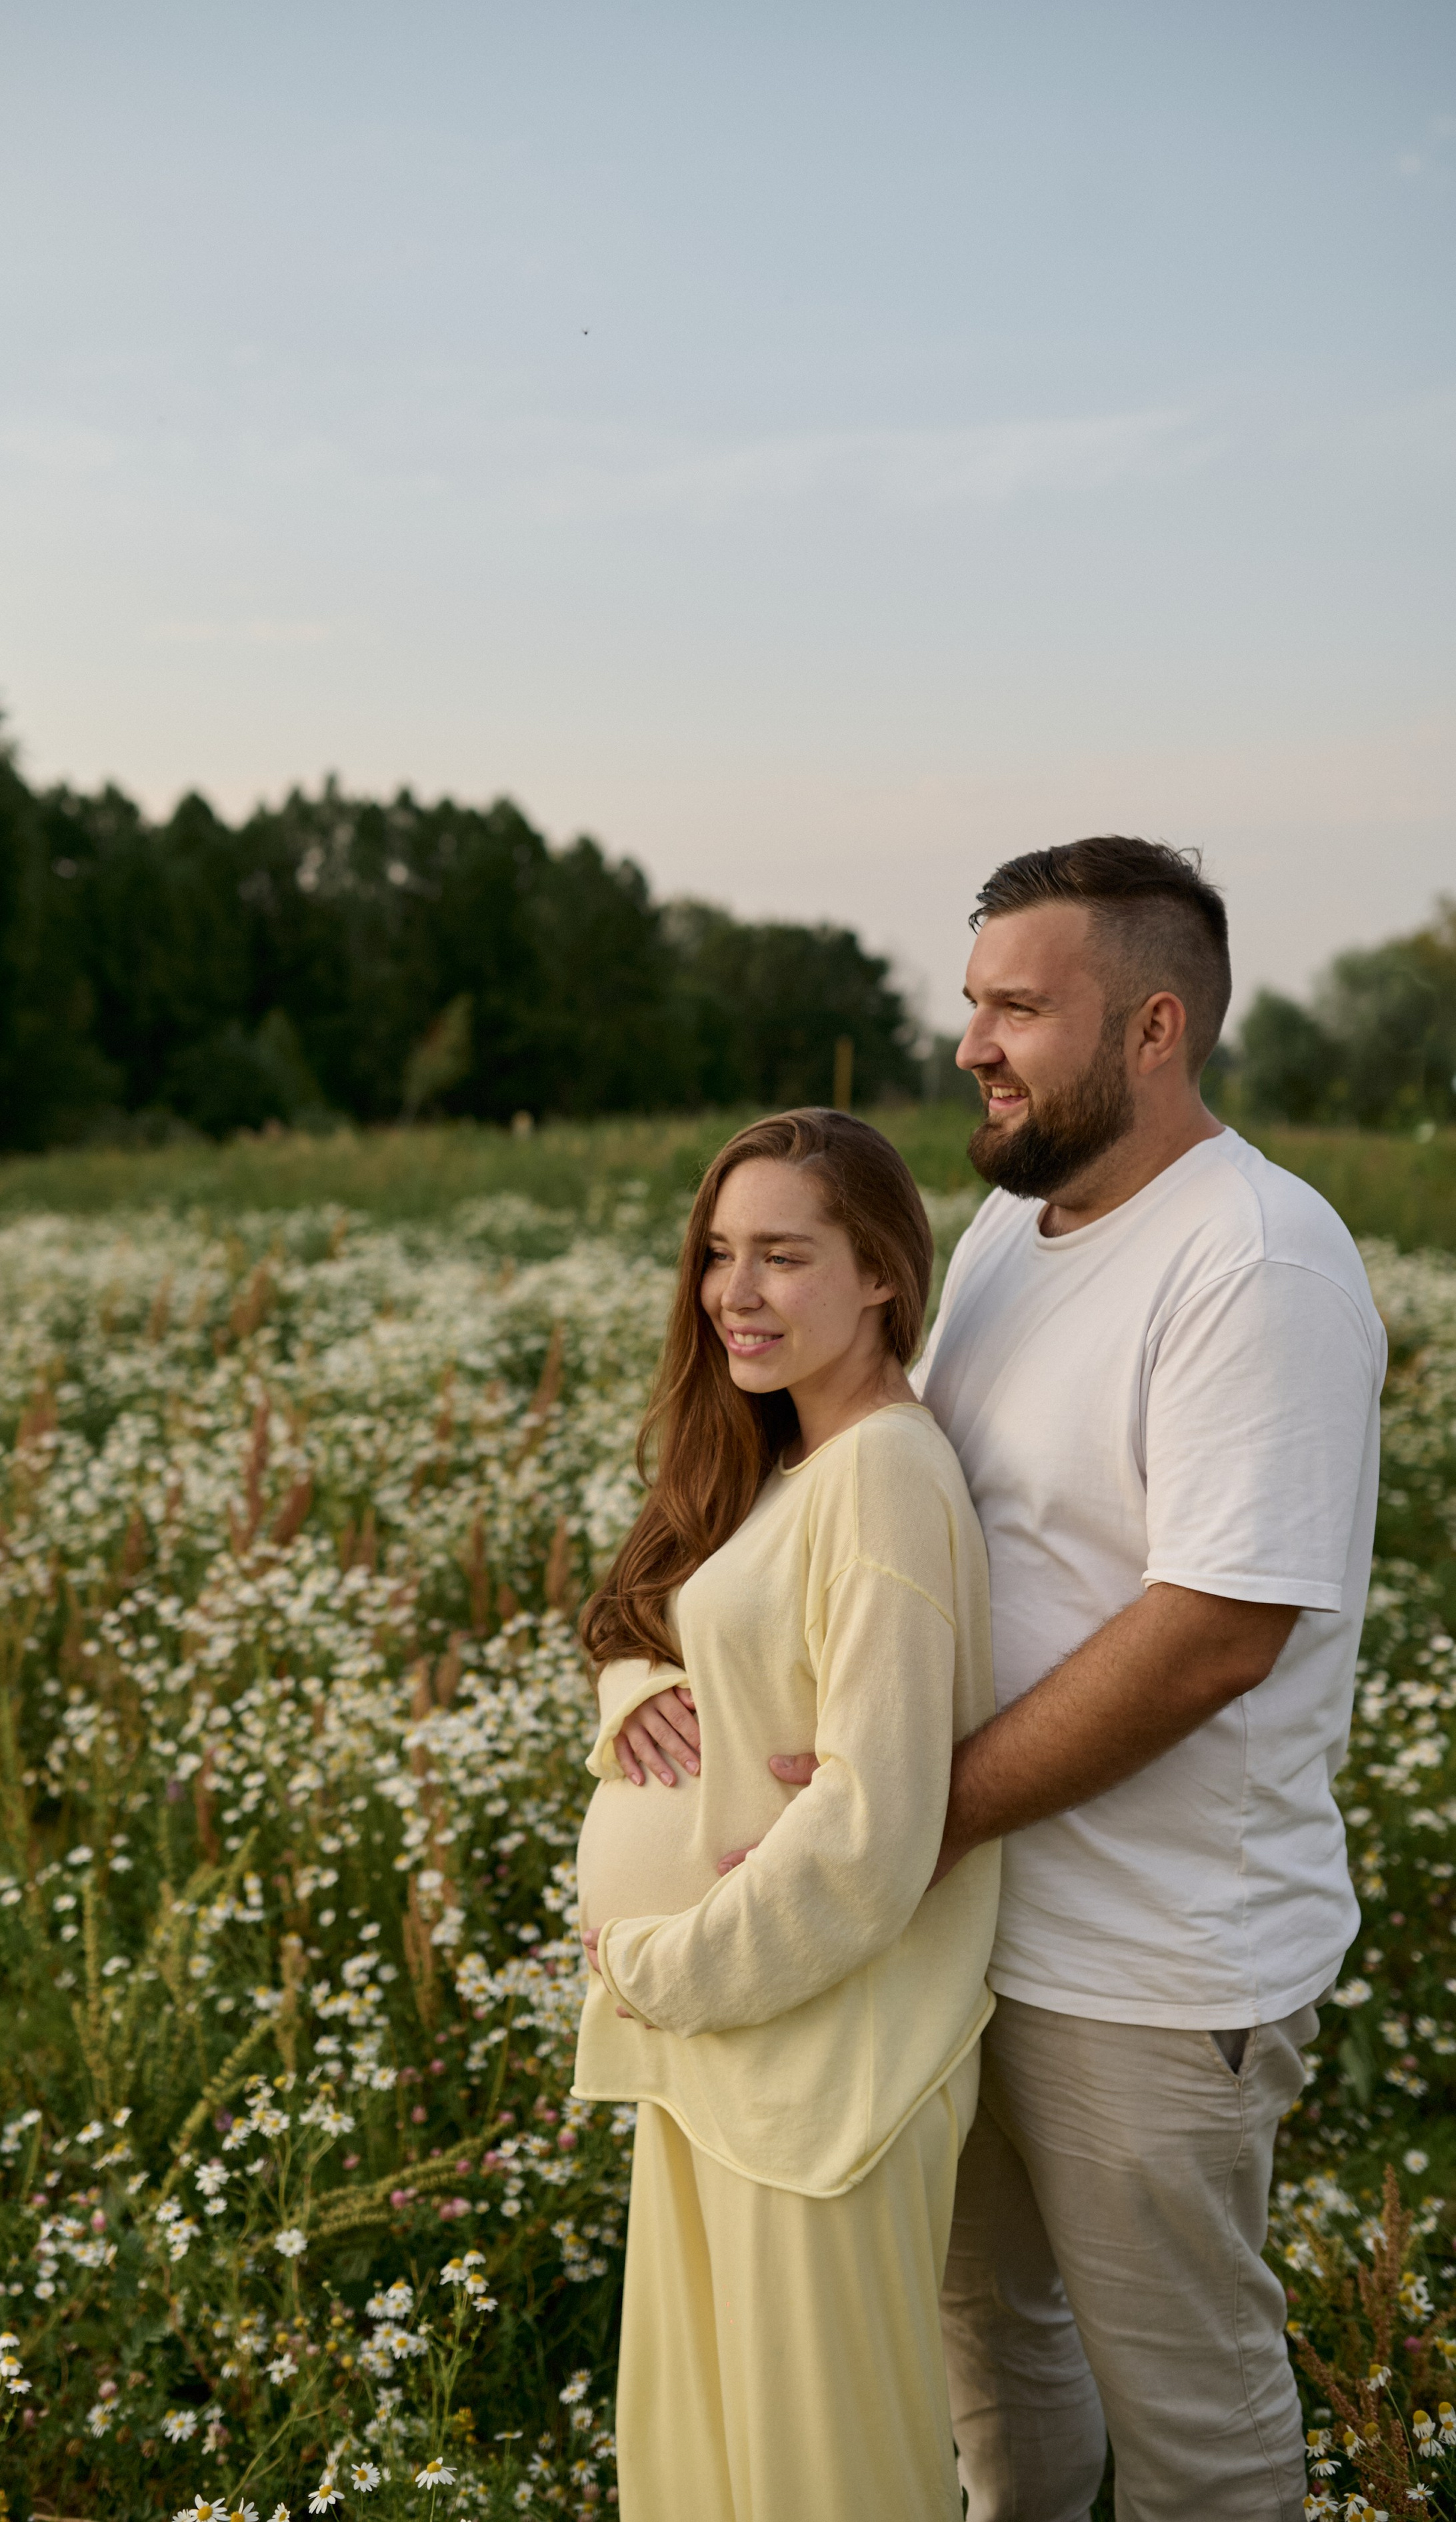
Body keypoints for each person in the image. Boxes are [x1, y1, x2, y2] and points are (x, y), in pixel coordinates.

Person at [614, 838, 1387, 2522]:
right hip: (951, 1937)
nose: (970, 1040)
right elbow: (850, 1516)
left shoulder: (1248, 1260)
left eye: (1018, 1006)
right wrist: (658, 1691)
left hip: (1150, 1961)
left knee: (1187, 2421)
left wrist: (901, 1819)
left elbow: (1212, 1630)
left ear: (1153, 1028)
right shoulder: (1002, 1243)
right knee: (995, 2382)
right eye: (971, 1000)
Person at [572, 1108, 998, 2522]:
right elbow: (653, 1606)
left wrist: (656, 1968)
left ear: (878, 1271)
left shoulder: (880, 1473)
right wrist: (630, 1683)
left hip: (818, 2063)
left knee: (821, 2484)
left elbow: (874, 1831)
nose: (733, 1294)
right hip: (731, 2057)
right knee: (709, 2475)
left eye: (780, 1257)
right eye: (713, 1255)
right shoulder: (785, 1458)